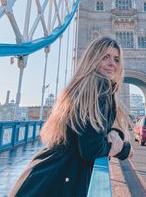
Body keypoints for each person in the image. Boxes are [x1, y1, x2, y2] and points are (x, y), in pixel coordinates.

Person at [10, 37, 133, 197]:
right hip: (58, 181)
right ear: (92, 58)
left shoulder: (84, 85)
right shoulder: (99, 86)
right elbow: (91, 149)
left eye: (116, 59)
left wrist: (114, 132)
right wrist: (123, 150)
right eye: (105, 57)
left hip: (43, 176)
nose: (112, 63)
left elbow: (93, 129)